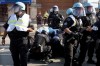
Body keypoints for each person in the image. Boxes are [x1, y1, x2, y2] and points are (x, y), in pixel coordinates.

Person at [1, 2, 33, 66]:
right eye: (15, 7)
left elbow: (32, 29)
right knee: (15, 61)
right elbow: (7, 28)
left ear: (21, 8)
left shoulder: (27, 18)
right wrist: (3, 38)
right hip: (13, 42)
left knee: (23, 60)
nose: (15, 9)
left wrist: (24, 29)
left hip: (23, 41)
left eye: (16, 7)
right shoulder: (12, 17)